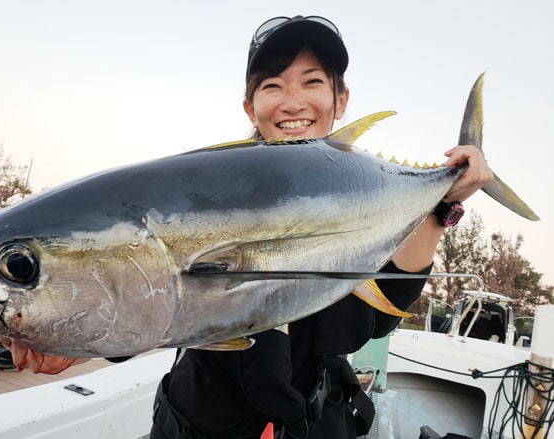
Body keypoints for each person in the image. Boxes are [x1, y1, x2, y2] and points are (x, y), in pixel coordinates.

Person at [150, 15, 493, 439]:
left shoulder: (361, 191)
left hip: (307, 417)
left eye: (312, 82)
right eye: (272, 85)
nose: (293, 103)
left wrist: (444, 204)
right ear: (249, 107)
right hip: (198, 419)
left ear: (341, 100)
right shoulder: (208, 189)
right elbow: (147, 281)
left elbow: (378, 315)